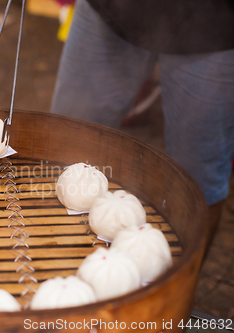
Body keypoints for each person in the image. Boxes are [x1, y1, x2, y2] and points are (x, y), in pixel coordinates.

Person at [51, 0, 234, 231]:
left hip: (214, 26)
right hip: (111, 12)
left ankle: (190, 266)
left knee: (198, 180)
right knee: (64, 145)